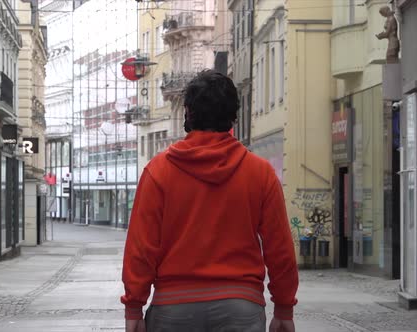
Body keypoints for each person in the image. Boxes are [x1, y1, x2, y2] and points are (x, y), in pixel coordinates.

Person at [121, 70, 298, 332]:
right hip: (240, 307)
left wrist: (134, 307)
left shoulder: (158, 172)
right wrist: (283, 307)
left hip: (173, 308)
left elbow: (141, 246)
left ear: (188, 114)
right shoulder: (259, 172)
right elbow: (279, 246)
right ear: (234, 116)